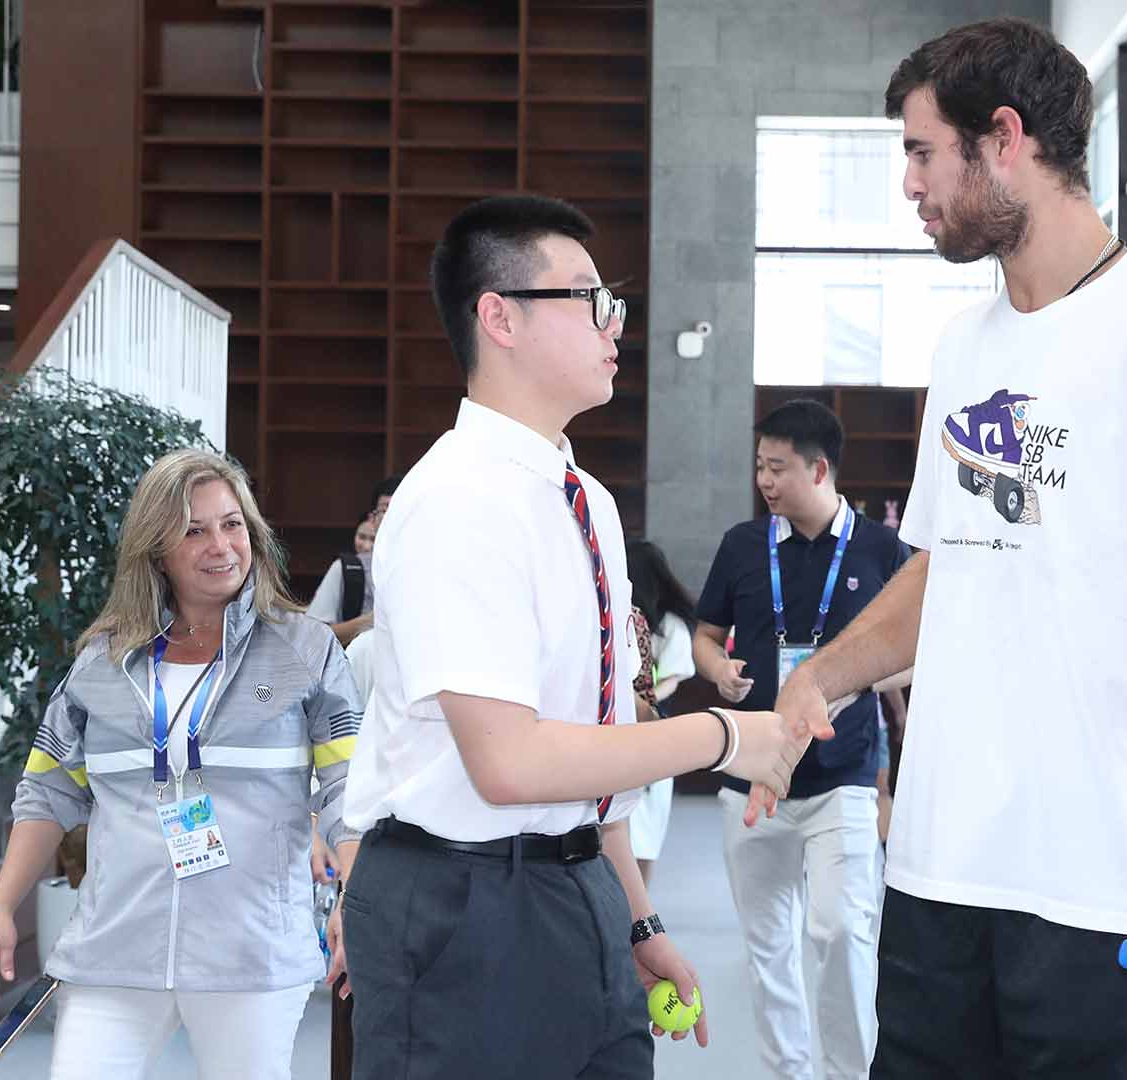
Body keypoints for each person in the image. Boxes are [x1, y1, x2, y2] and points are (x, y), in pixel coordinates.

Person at [753, 19, 1127, 1079]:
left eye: (921, 153)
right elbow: (950, 566)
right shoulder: (964, 348)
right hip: (940, 882)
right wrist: (823, 671)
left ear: (1003, 139)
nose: (909, 186)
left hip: (1115, 899)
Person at [332, 194, 805, 1080]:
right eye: (587, 298)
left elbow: (594, 739)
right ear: (499, 317)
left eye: (611, 301)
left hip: (575, 885)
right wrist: (725, 736)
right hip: (459, 900)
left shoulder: (586, 499)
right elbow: (507, 765)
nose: (612, 323)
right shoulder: (457, 500)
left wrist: (635, 916)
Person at [0, 448, 364, 1080]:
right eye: (193, 530)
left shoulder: (304, 651)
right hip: (114, 951)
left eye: (232, 524)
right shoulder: (103, 661)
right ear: (156, 549)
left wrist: (355, 894)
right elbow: (45, 792)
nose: (221, 546)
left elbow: (350, 788)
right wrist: (1, 908)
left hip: (250, 956)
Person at [693, 398, 915, 1080]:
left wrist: (849, 685)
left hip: (842, 778)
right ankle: (787, 1073)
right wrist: (718, 669)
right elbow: (705, 635)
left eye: (778, 467)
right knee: (768, 948)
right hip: (751, 781)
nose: (765, 480)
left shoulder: (882, 550)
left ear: (820, 469)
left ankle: (850, 1073)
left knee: (843, 932)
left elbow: (909, 651)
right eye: (760, 466)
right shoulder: (741, 545)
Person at [624, 538, 699, 884]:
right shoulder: (614, 617)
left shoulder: (670, 626)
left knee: (645, 834)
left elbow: (673, 678)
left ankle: (640, 912)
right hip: (616, 730)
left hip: (653, 728)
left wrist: (645, 697)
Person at [308, 474, 403, 647]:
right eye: (385, 510)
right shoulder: (347, 569)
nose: (393, 518)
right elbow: (312, 636)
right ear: (373, 519)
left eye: (402, 510)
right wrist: (370, 621)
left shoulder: (429, 574)